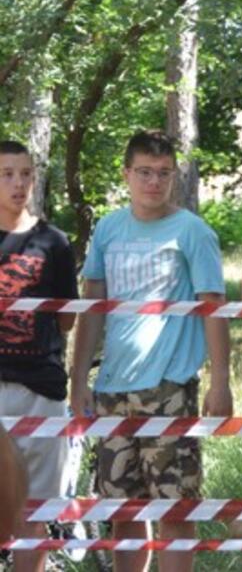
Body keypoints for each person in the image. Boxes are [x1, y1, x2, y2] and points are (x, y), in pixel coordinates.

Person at [70, 129, 231, 572]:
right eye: (144, 172)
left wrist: (221, 381)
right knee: (122, 512)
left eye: (163, 173)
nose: (154, 182)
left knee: (175, 511)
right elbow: (92, 308)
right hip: (112, 388)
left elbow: (213, 308)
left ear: (174, 176)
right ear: (126, 174)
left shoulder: (193, 232)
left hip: (169, 387)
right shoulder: (107, 228)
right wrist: (78, 377)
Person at [0, 140, 78, 572]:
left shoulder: (56, 243)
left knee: (36, 515)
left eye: (25, 174)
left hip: (43, 390)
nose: (18, 183)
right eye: (7, 174)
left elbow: (67, 320)